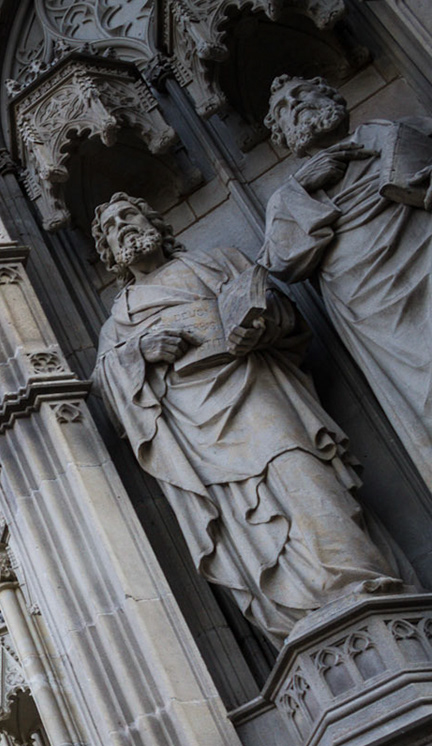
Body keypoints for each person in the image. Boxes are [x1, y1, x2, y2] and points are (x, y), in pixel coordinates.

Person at [91, 192, 396, 641]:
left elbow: (283, 314)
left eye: (129, 215)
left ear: (155, 221)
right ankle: (298, 614)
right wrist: (140, 351)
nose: (124, 227)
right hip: (194, 429)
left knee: (299, 472)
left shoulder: (219, 262)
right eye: (113, 227)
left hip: (254, 388)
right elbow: (106, 390)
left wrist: (262, 319)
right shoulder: (119, 318)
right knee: (243, 517)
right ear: (110, 254)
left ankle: (360, 581)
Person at [262, 77, 432, 469]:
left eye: (304, 93)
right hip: (371, 305)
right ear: (284, 136)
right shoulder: (288, 196)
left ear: (333, 98)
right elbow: (283, 263)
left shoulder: (400, 132)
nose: (296, 103)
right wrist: (303, 188)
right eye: (285, 107)